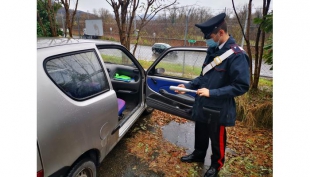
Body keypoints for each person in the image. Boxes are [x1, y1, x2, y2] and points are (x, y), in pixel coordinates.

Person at [175, 13, 250, 177]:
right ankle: (198, 154)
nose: (207, 39)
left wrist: (212, 93)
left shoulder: (237, 56)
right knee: (200, 131)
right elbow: (203, 77)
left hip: (219, 107)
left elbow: (241, 86)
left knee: (217, 138)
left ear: (220, 33)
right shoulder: (213, 50)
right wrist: (187, 86)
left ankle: (216, 165)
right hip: (203, 103)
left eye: (210, 36)